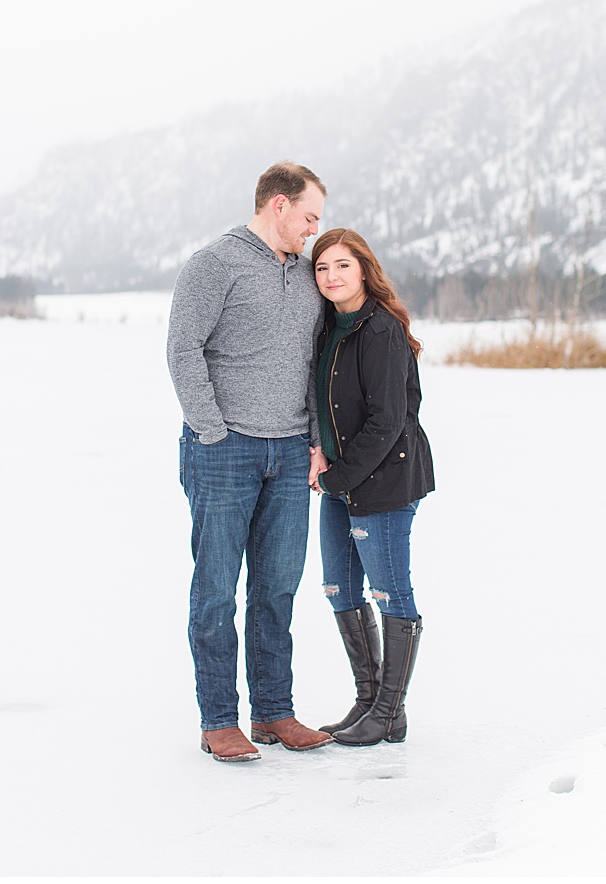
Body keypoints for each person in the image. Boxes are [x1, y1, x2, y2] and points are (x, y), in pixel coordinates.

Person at [168, 161, 333, 762]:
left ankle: (274, 712)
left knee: (277, 589)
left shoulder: (309, 275)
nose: (315, 229)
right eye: (310, 216)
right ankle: (219, 719)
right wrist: (211, 431)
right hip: (225, 450)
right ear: (279, 206)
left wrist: (313, 441)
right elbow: (182, 348)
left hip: (290, 454)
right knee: (215, 589)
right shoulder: (215, 264)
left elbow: (314, 365)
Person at [307, 228, 435, 747]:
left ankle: (389, 711)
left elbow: (387, 422)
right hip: (340, 481)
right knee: (339, 586)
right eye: (322, 268)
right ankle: (368, 700)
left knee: (390, 592)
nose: (331, 277)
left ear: (364, 269)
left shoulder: (380, 330)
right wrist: (321, 456)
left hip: (383, 484)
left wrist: (336, 475)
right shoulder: (329, 329)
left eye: (342, 266)